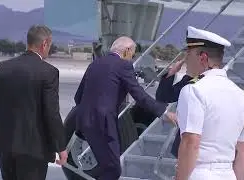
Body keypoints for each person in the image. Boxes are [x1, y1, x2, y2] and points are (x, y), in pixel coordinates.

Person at [74, 36, 175, 180]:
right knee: (113, 169)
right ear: (127, 51)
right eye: (132, 54)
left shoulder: (95, 64)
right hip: (103, 124)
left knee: (106, 167)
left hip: (85, 122)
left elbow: (78, 97)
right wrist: (163, 112)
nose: (132, 58)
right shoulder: (123, 65)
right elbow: (139, 95)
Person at [0, 25, 68, 180]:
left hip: (4, 145)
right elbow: (51, 113)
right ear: (44, 44)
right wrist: (61, 147)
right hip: (34, 149)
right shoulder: (48, 72)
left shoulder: (3, 67)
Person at [175, 26, 244, 180]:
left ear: (202, 58)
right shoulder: (243, 96)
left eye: (188, 53)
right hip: (228, 174)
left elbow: (191, 142)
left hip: (199, 173)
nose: (186, 59)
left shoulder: (193, 91)